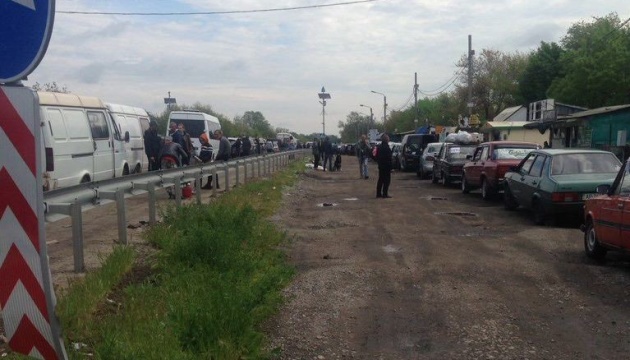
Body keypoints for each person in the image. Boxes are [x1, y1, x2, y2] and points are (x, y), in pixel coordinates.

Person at [375, 134, 393, 198]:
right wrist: (391, 167)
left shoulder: (379, 147)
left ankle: (378, 193)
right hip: (387, 166)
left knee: (380, 180)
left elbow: (375, 155)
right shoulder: (387, 148)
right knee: (387, 180)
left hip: (381, 165)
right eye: (388, 138)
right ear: (386, 139)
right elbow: (389, 158)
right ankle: (385, 194)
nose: (389, 139)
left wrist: (378, 161)